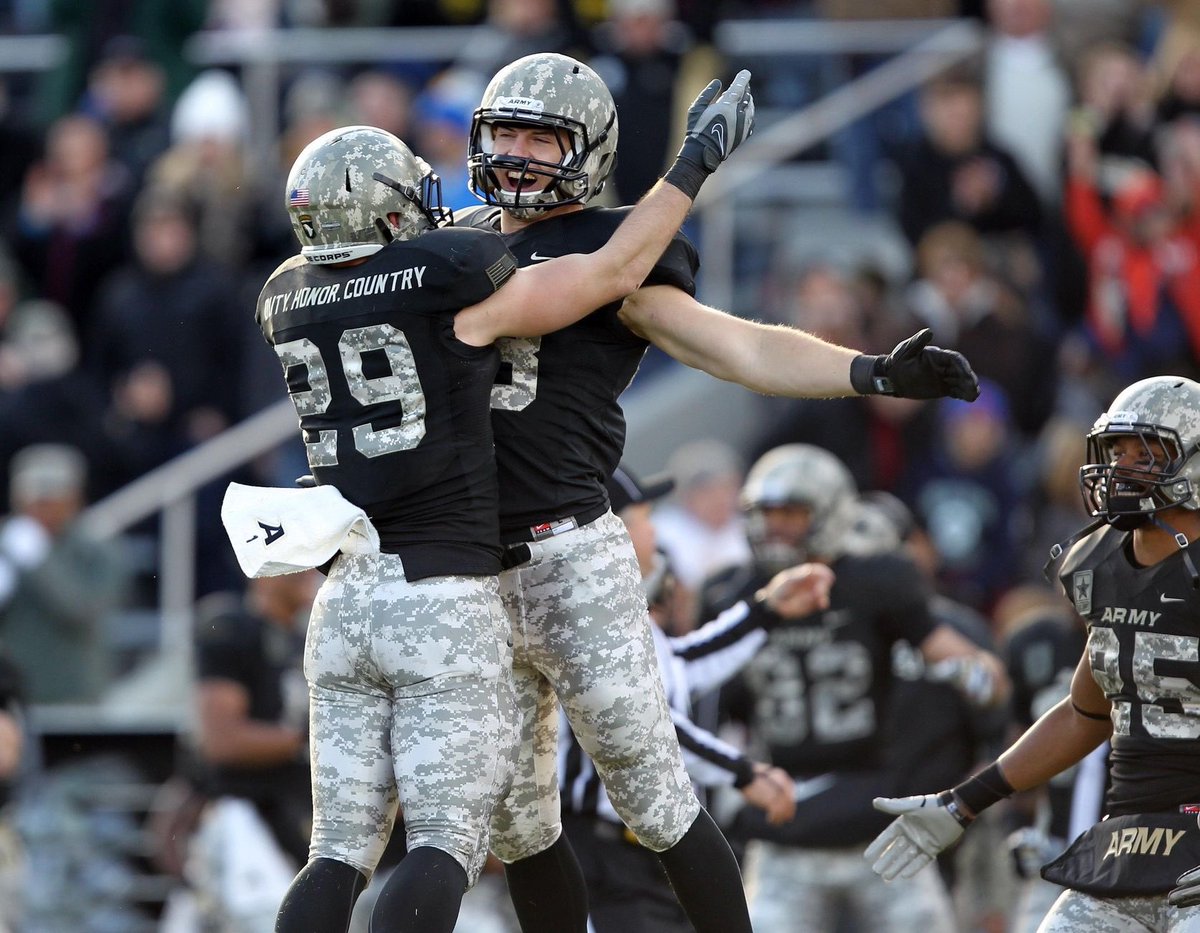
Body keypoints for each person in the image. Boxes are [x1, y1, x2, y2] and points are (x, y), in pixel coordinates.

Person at [455, 50, 981, 933]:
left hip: (562, 544)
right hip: (461, 553)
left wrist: (869, 371)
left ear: (584, 148)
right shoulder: (453, 245)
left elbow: (736, 346)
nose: (514, 150)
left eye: (538, 136)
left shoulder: (611, 248)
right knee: (513, 817)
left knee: (652, 787)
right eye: (502, 130)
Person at [245, 70, 756, 933]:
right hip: (449, 590)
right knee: (447, 838)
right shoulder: (451, 277)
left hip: (349, 590)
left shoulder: (284, 298)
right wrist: (694, 164)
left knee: (338, 848)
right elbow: (612, 268)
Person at [867, 374, 1200, 932]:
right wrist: (962, 802)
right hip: (1130, 843)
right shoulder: (1103, 563)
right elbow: (1085, 713)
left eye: (1146, 454)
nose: (1120, 468)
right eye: (1115, 451)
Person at [693, 443, 1007, 933]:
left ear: (830, 514)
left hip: (878, 829)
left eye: (791, 513)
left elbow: (967, 667)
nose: (774, 527)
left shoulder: (875, 581)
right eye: (765, 513)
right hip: (785, 830)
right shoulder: (733, 595)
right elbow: (705, 702)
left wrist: (979, 673)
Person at [560, 461, 829, 933]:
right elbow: (644, 721)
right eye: (645, 516)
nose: (655, 531)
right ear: (611, 530)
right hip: (606, 852)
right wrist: (744, 773)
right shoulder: (581, 617)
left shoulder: (617, 611)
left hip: (645, 852)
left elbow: (680, 668)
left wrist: (765, 611)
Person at [176, 570, 319, 932]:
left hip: (292, 817)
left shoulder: (307, 639)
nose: (312, 570)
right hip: (242, 815)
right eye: (299, 561)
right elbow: (222, 741)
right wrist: (312, 739)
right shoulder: (232, 626)